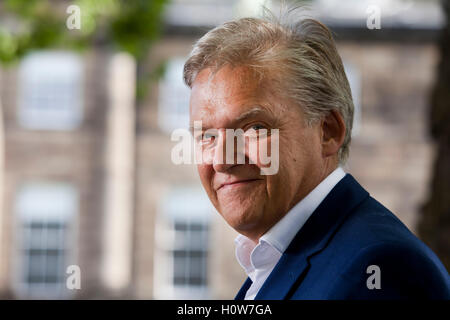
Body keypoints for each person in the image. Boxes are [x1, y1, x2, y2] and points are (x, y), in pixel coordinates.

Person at [183, 12, 450, 299]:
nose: (222, 160)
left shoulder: (379, 266)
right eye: (207, 136)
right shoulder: (273, 260)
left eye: (254, 127)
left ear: (328, 131)